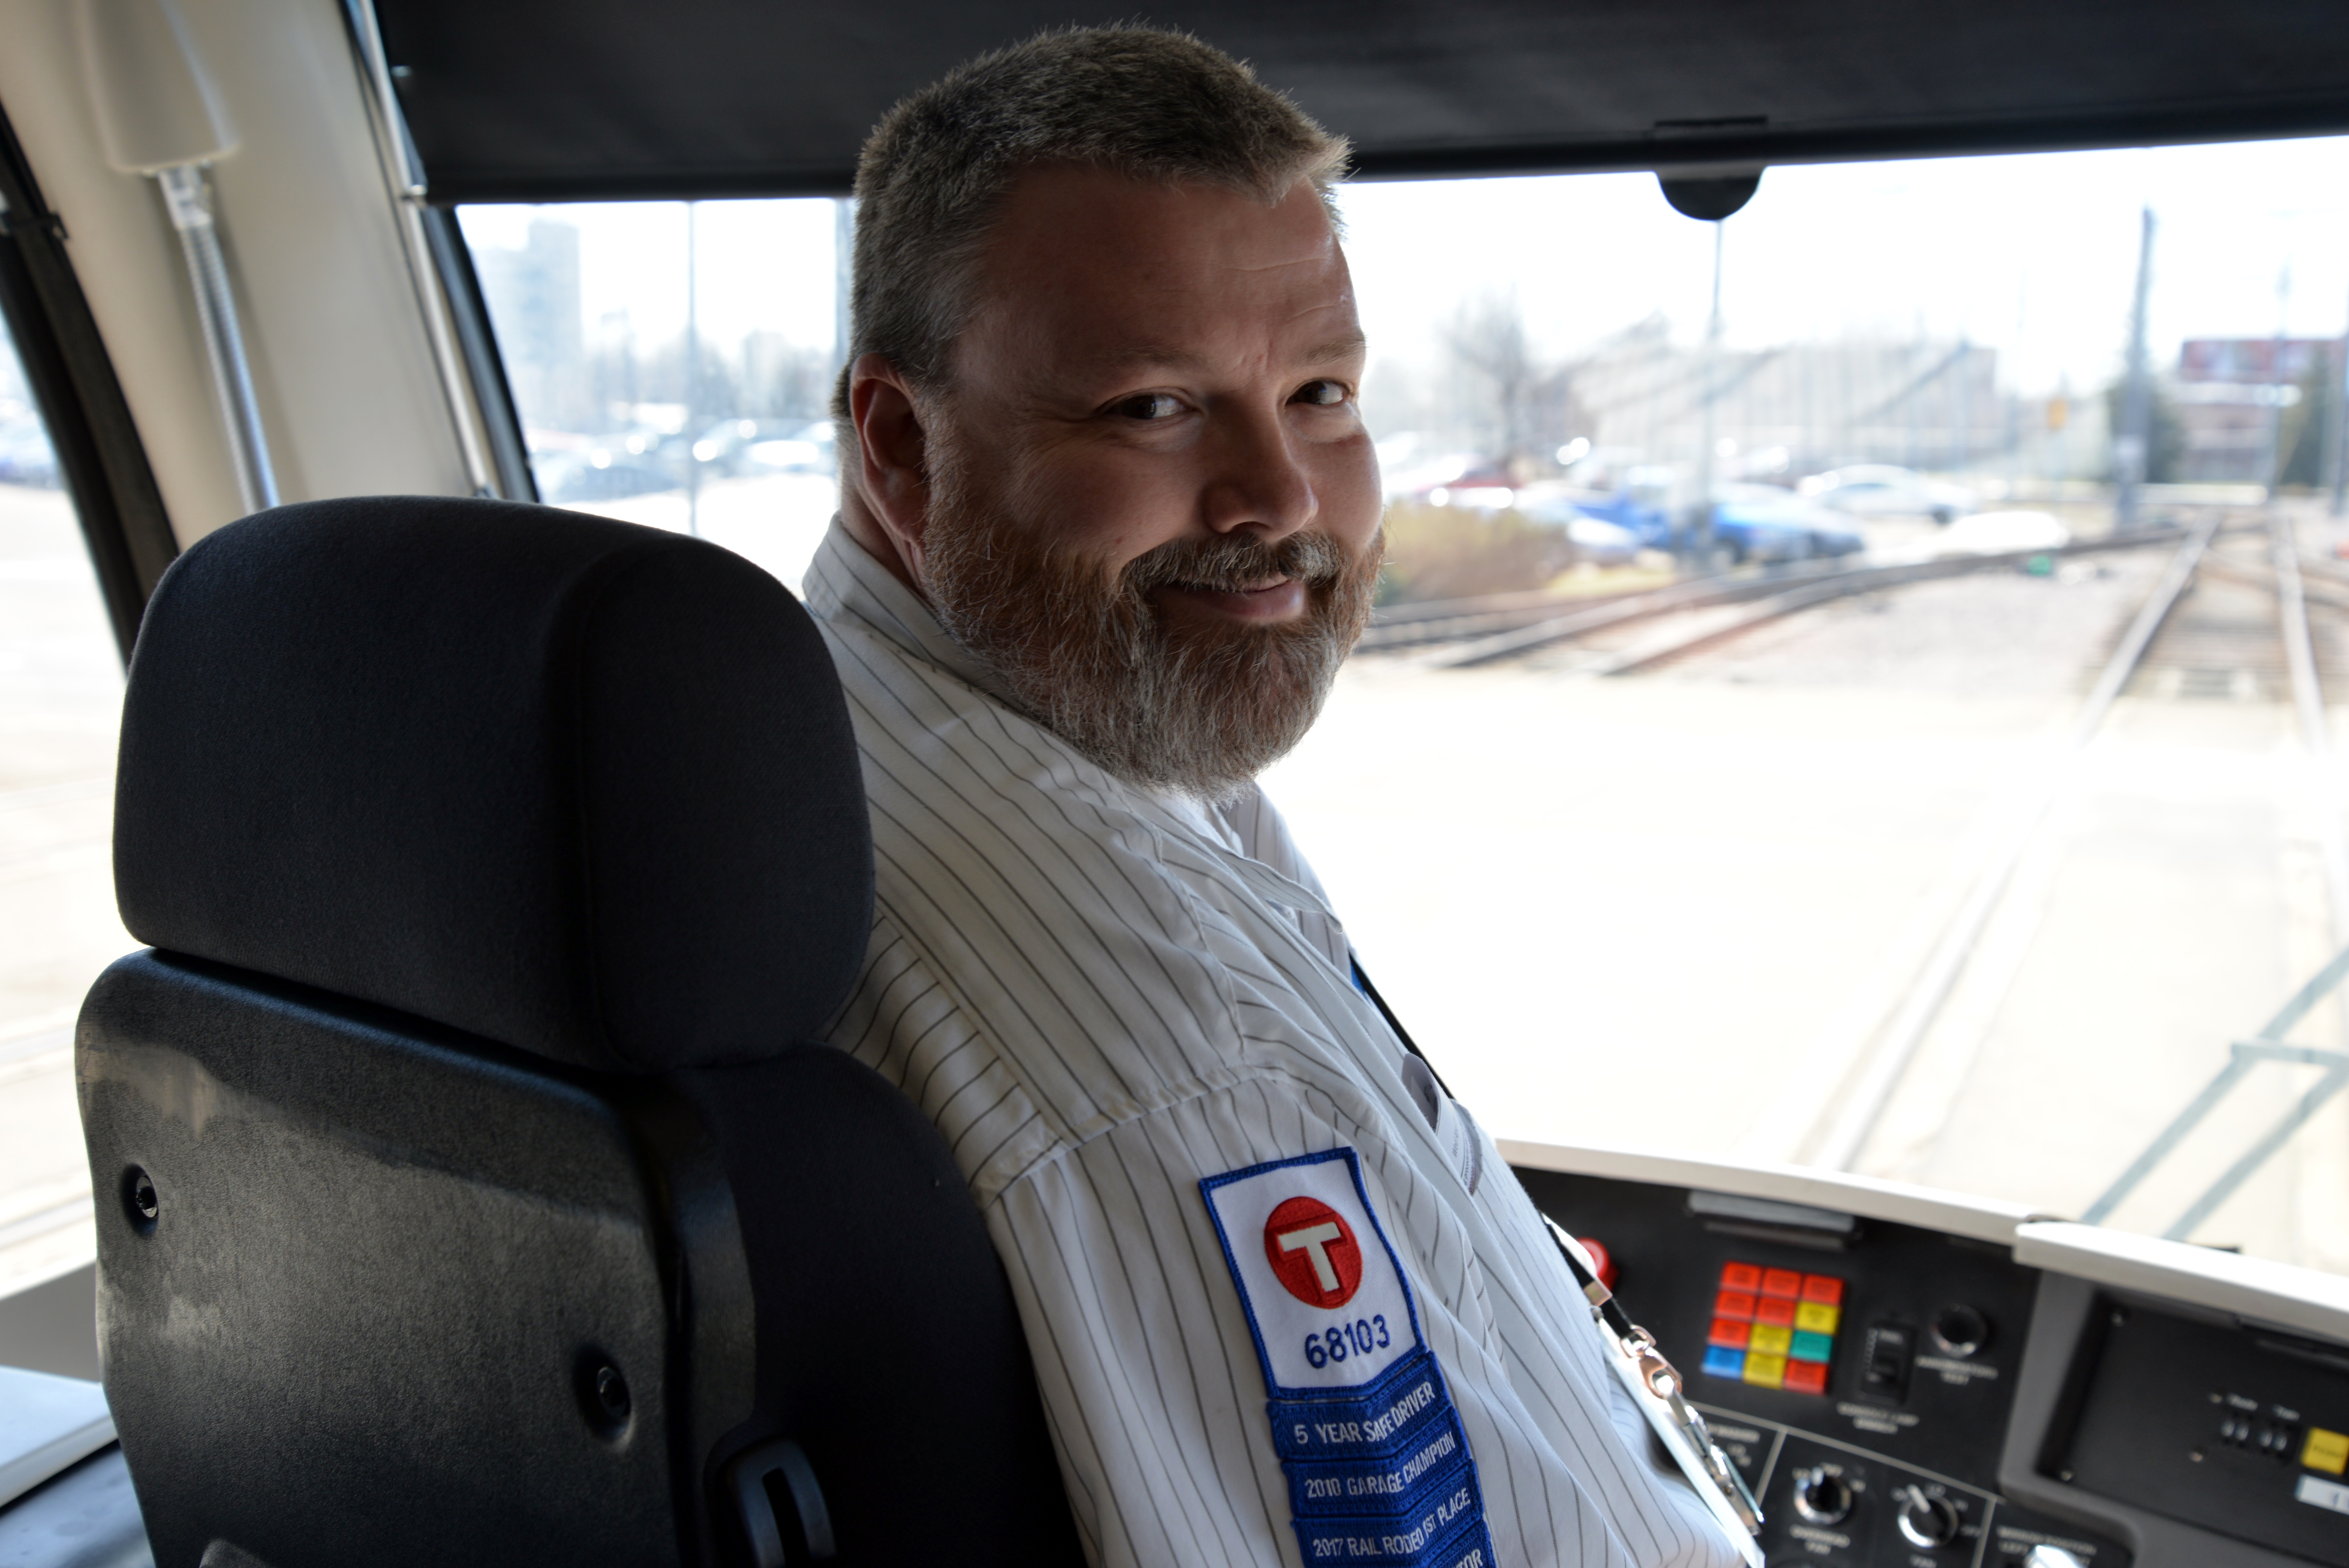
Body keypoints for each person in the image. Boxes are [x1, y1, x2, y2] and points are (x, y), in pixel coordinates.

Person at [804, 26, 1746, 1568]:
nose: (1283, 498)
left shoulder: (869, 719)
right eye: (1154, 407)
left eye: (1319, 390)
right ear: (904, 446)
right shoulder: (1180, 1057)